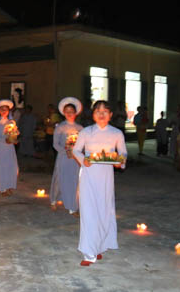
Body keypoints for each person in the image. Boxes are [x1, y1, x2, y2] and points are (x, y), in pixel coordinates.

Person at [72, 100, 127, 266]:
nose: (101, 114)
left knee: (104, 210)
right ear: (93, 114)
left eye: (105, 111)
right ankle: (88, 253)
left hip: (106, 176)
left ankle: (100, 246)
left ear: (111, 115)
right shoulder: (86, 132)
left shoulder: (116, 133)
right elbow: (76, 150)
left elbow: (123, 152)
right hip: (88, 174)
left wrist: (120, 162)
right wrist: (83, 160)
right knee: (88, 211)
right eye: (98, 111)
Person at [50, 97, 83, 214]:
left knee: (74, 179)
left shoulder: (80, 128)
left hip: (75, 159)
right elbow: (55, 144)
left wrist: (78, 153)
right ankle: (54, 199)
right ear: (63, 113)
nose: (69, 114)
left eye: (71, 111)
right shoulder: (60, 127)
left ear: (76, 113)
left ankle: (72, 205)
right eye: (67, 111)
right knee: (59, 177)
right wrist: (65, 151)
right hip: (63, 157)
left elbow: (83, 144)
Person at [0, 99, 18, 197]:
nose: (4, 111)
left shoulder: (11, 122)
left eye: (6, 109)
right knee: (1, 166)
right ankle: (2, 187)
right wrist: (4, 140)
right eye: (2, 109)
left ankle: (9, 185)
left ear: (8, 111)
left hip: (10, 147)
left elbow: (15, 133)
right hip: (1, 147)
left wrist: (14, 139)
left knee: (11, 166)